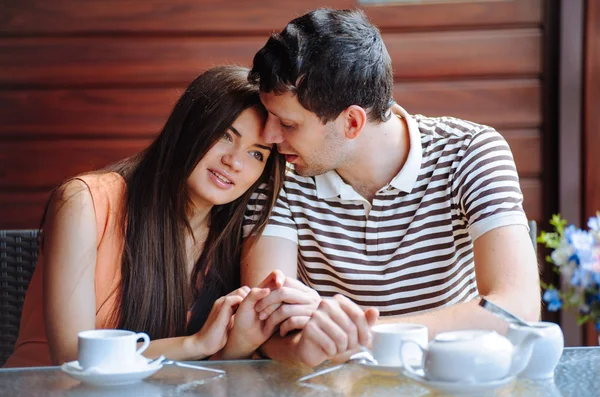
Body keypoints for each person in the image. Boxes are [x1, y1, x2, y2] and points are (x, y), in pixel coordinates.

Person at [240, 8, 541, 367]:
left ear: (352, 122)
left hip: (452, 380)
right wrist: (301, 348)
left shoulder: (471, 152)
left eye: (288, 124)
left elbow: (516, 310)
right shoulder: (277, 171)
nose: (269, 137)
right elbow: (264, 324)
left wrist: (359, 335)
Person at [4, 65, 287, 368]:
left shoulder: (234, 236)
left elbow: (216, 368)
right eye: (225, 136)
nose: (234, 162)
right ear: (188, 127)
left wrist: (237, 343)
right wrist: (195, 344)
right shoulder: (84, 202)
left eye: (257, 154)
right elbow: (73, 358)